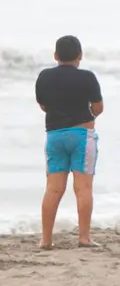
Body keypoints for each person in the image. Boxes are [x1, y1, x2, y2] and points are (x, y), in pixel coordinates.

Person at [34, 35, 104, 249]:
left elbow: (43, 106)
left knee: (53, 189)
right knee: (83, 188)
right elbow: (98, 108)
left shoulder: (44, 76)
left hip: (54, 135)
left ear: (55, 55)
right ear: (80, 55)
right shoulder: (87, 77)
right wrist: (86, 115)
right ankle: (84, 237)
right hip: (81, 135)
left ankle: (46, 240)